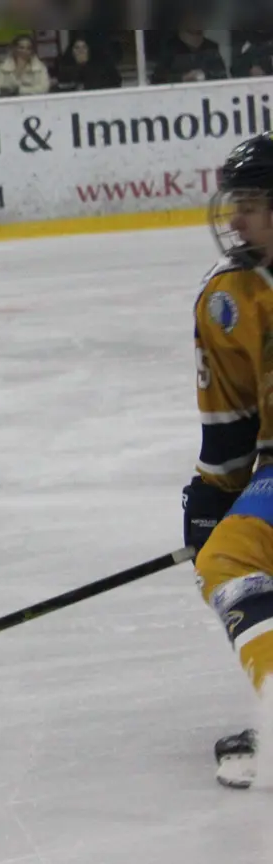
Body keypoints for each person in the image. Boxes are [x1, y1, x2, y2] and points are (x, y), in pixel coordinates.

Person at [182, 133, 273, 790]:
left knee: (231, 560)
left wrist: (213, 509)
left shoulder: (232, 296)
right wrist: (215, 496)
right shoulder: (231, 297)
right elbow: (234, 428)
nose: (234, 218)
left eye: (249, 202)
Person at [53, 37, 121, 92]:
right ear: (72, 51)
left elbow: (115, 82)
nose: (81, 50)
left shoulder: (100, 67)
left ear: (88, 50)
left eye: (84, 47)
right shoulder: (65, 69)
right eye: (77, 48)